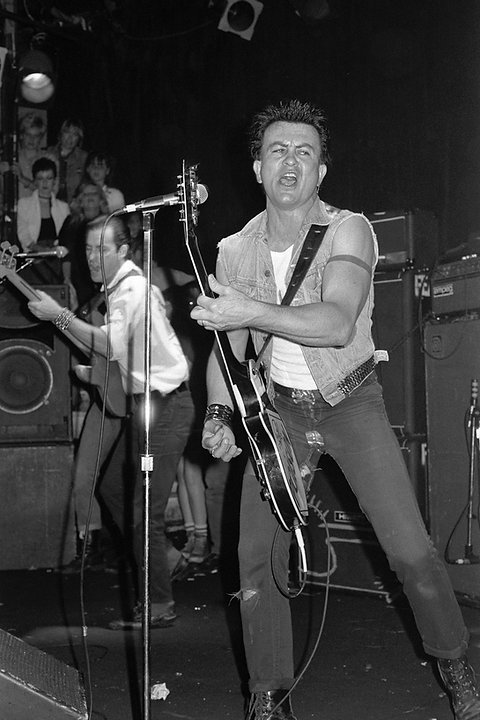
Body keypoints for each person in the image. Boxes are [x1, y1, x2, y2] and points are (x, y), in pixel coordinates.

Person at [191, 99, 480, 720]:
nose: (290, 162)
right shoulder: (232, 251)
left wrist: (248, 311)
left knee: (410, 551)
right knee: (255, 561)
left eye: (305, 151)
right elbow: (225, 351)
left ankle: (456, 663)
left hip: (350, 402)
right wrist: (217, 413)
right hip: (279, 416)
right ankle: (268, 698)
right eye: (277, 150)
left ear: (321, 170)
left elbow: (336, 321)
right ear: (256, 167)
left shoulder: (349, 230)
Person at [28, 214, 194, 628]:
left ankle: (158, 604)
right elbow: (127, 356)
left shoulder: (132, 290)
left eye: (101, 249)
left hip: (167, 409)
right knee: (112, 489)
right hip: (147, 408)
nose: (92, 258)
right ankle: (163, 560)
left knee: (143, 512)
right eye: (87, 249)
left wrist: (58, 316)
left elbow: (110, 344)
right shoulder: (121, 290)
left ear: (123, 250)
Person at [16, 157, 70, 284]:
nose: (45, 183)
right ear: (35, 181)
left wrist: (54, 251)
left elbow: (66, 239)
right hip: (33, 259)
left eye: (49, 178)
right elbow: (24, 236)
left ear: (55, 181)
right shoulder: (24, 204)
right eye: (40, 179)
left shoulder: (63, 207)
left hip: (57, 258)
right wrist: (42, 251)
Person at [47, 118, 88, 203]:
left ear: (79, 138)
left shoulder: (84, 157)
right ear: (61, 134)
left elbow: (87, 184)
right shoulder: (48, 153)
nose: (70, 138)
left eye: (75, 134)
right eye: (67, 132)